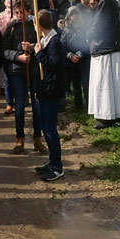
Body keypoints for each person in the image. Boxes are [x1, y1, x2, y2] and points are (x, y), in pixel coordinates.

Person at [2, 0, 47, 154]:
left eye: (22, 12)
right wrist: (18, 56)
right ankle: (19, 139)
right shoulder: (12, 28)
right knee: (20, 106)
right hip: (18, 71)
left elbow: (43, 46)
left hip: (34, 70)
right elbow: (5, 51)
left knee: (37, 107)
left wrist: (32, 47)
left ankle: (37, 139)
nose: (19, 15)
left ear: (29, 11)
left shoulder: (36, 27)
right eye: (17, 12)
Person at [85, 0, 120, 129]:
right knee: (112, 83)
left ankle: (106, 116)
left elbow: (99, 23)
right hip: (110, 46)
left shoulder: (106, 0)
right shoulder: (106, 0)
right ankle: (113, 114)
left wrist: (89, 35)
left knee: (105, 83)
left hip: (105, 47)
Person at [33, 10, 68, 182]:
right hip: (46, 90)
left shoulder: (54, 42)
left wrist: (39, 53)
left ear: (39, 27)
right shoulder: (46, 40)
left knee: (49, 129)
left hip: (52, 91)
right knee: (46, 127)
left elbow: (53, 64)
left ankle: (57, 166)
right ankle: (52, 162)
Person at [62, 4, 91, 108]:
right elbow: (63, 45)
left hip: (83, 60)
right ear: (69, 17)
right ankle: (78, 106)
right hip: (71, 62)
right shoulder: (66, 31)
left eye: (76, 14)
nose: (75, 17)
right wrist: (70, 55)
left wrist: (79, 54)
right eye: (72, 15)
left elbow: (88, 44)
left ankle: (89, 105)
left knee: (86, 83)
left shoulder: (85, 29)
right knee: (76, 84)